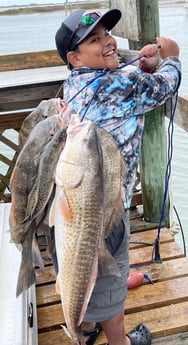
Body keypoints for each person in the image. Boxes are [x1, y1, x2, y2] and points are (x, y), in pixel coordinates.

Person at [55, 8, 181, 345]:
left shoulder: (75, 82)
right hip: (105, 214)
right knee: (110, 284)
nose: (108, 42)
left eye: (107, 35)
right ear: (75, 56)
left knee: (79, 278)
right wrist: (171, 58)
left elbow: (118, 84)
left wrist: (139, 63)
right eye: (94, 40)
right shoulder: (118, 85)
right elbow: (163, 87)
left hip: (77, 209)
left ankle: (80, 329)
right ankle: (119, 341)